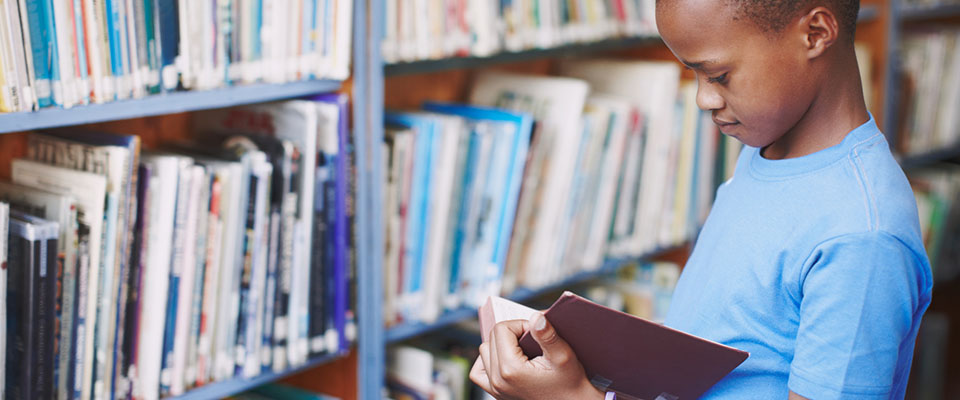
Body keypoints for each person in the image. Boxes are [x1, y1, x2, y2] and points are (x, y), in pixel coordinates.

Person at [469, 0, 934, 398]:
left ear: (815, 33)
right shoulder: (764, 148)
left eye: (719, 75)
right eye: (693, 73)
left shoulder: (862, 237)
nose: (703, 100)